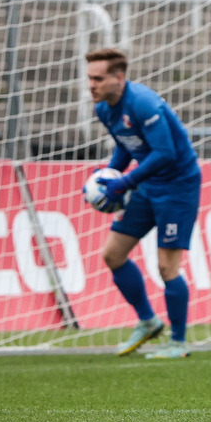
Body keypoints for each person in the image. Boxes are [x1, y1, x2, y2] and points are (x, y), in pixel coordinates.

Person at [86, 48, 202, 359]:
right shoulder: (104, 108)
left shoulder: (142, 102)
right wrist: (111, 172)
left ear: (118, 78)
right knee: (113, 255)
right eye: (89, 78)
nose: (92, 85)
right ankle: (148, 321)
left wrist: (123, 182)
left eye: (98, 79)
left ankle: (178, 342)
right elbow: (127, 148)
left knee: (166, 266)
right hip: (148, 185)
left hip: (178, 187)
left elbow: (166, 153)